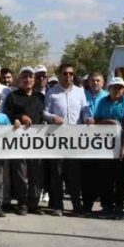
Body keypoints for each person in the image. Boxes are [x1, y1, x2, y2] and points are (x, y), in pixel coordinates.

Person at [43, 63, 90, 216]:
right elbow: (44, 112)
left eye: (71, 73)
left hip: (75, 139)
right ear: (60, 74)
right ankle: (57, 206)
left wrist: (88, 118)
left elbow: (84, 110)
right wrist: (52, 117)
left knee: (74, 175)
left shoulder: (80, 92)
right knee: (57, 174)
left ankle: (77, 206)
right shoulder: (52, 92)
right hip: (57, 139)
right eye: (65, 73)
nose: (68, 76)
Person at [2, 66, 45, 215]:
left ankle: (33, 203)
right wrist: (19, 118)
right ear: (19, 80)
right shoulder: (12, 96)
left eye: (30, 77)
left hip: (37, 142)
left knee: (36, 173)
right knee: (20, 173)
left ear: (34, 80)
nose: (27, 80)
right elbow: (6, 115)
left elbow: (45, 115)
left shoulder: (40, 97)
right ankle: (21, 203)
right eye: (24, 77)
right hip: (18, 142)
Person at [93, 77, 124, 219]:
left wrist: (123, 147)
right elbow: (96, 121)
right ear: (109, 88)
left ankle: (119, 206)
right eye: (114, 87)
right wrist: (108, 121)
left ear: (123, 89)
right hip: (104, 145)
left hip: (122, 143)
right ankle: (106, 206)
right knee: (105, 177)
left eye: (119, 87)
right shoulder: (102, 102)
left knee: (121, 178)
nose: (117, 90)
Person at [79, 72, 109, 215]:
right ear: (88, 82)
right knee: (87, 174)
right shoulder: (81, 95)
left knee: (103, 174)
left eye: (98, 80)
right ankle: (87, 205)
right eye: (92, 80)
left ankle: (105, 204)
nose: (95, 83)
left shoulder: (107, 96)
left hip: (104, 141)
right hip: (84, 140)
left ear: (103, 83)